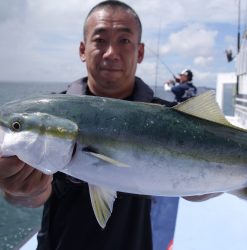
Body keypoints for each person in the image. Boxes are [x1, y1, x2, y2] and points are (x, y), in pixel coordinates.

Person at [0, 1, 222, 249]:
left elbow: (199, 190)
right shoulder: (54, 114)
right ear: (83, 49)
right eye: (100, 40)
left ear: (140, 52)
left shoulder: (172, 117)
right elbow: (34, 196)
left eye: (124, 41)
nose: (111, 52)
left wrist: (214, 181)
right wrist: (22, 190)